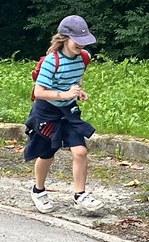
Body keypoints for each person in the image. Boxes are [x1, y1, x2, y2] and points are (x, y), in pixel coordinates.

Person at [25, 15, 105, 215]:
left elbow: (77, 78)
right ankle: (38, 191)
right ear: (64, 38)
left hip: (68, 111)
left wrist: (78, 91)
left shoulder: (84, 57)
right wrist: (65, 94)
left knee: (80, 151)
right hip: (46, 113)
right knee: (47, 154)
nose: (81, 45)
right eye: (77, 40)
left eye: (84, 40)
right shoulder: (51, 61)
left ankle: (80, 195)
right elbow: (39, 92)